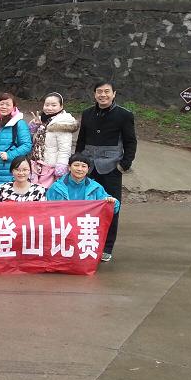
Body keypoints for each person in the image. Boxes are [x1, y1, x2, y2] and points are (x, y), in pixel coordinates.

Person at [74, 81, 136, 262]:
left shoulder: (124, 115)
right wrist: (77, 161)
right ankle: (86, 243)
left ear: (114, 94)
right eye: (99, 92)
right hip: (88, 168)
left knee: (111, 206)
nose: (103, 95)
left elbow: (130, 141)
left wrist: (124, 165)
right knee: (85, 205)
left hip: (111, 168)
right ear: (94, 94)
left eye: (107, 91)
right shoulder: (87, 113)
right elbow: (81, 139)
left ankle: (107, 247)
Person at [0, 93, 32, 200]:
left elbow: (27, 145)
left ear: (14, 107)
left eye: (8, 104)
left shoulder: (19, 124)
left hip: (10, 174)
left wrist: (10, 155)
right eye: (1, 104)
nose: (4, 107)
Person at [46, 153, 120, 221]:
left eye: (84, 166)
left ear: (88, 169)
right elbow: (47, 210)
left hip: (86, 226)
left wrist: (112, 202)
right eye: (76, 165)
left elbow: (114, 208)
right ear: (69, 167)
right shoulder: (56, 187)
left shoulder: (96, 188)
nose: (79, 169)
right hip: (63, 225)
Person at [27, 92, 77, 189]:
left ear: (61, 106)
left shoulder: (63, 123)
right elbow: (32, 142)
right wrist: (34, 127)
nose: (49, 108)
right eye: (47, 105)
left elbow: (64, 148)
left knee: (48, 193)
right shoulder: (42, 120)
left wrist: (61, 165)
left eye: (54, 105)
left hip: (51, 168)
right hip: (36, 165)